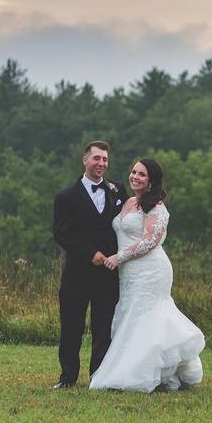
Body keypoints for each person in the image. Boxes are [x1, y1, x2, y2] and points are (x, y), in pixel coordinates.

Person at [89, 158, 205, 392]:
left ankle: (149, 374)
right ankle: (148, 372)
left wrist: (118, 257)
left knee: (148, 316)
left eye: (141, 174)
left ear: (151, 180)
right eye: (133, 172)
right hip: (129, 274)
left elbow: (150, 241)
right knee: (131, 315)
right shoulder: (129, 201)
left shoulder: (157, 207)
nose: (135, 177)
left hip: (151, 269)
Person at [51, 141, 128, 389]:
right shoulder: (66, 197)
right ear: (85, 160)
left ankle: (99, 377)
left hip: (108, 273)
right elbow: (61, 233)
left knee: (103, 327)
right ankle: (68, 377)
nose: (101, 163)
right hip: (77, 273)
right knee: (71, 326)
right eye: (96, 158)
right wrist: (89, 253)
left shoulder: (117, 190)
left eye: (105, 159)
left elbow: (128, 220)